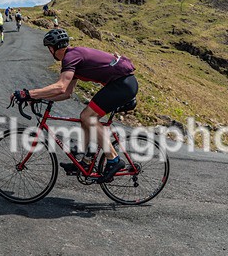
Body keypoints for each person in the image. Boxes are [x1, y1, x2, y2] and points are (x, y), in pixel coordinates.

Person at [11, 28, 137, 182]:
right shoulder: (74, 56)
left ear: (53, 48)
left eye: (49, 48)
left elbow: (60, 87)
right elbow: (66, 93)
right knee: (85, 118)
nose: (49, 52)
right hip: (122, 84)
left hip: (122, 85)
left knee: (88, 117)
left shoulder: (70, 57)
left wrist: (28, 93)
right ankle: (85, 161)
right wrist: (39, 97)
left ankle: (114, 160)